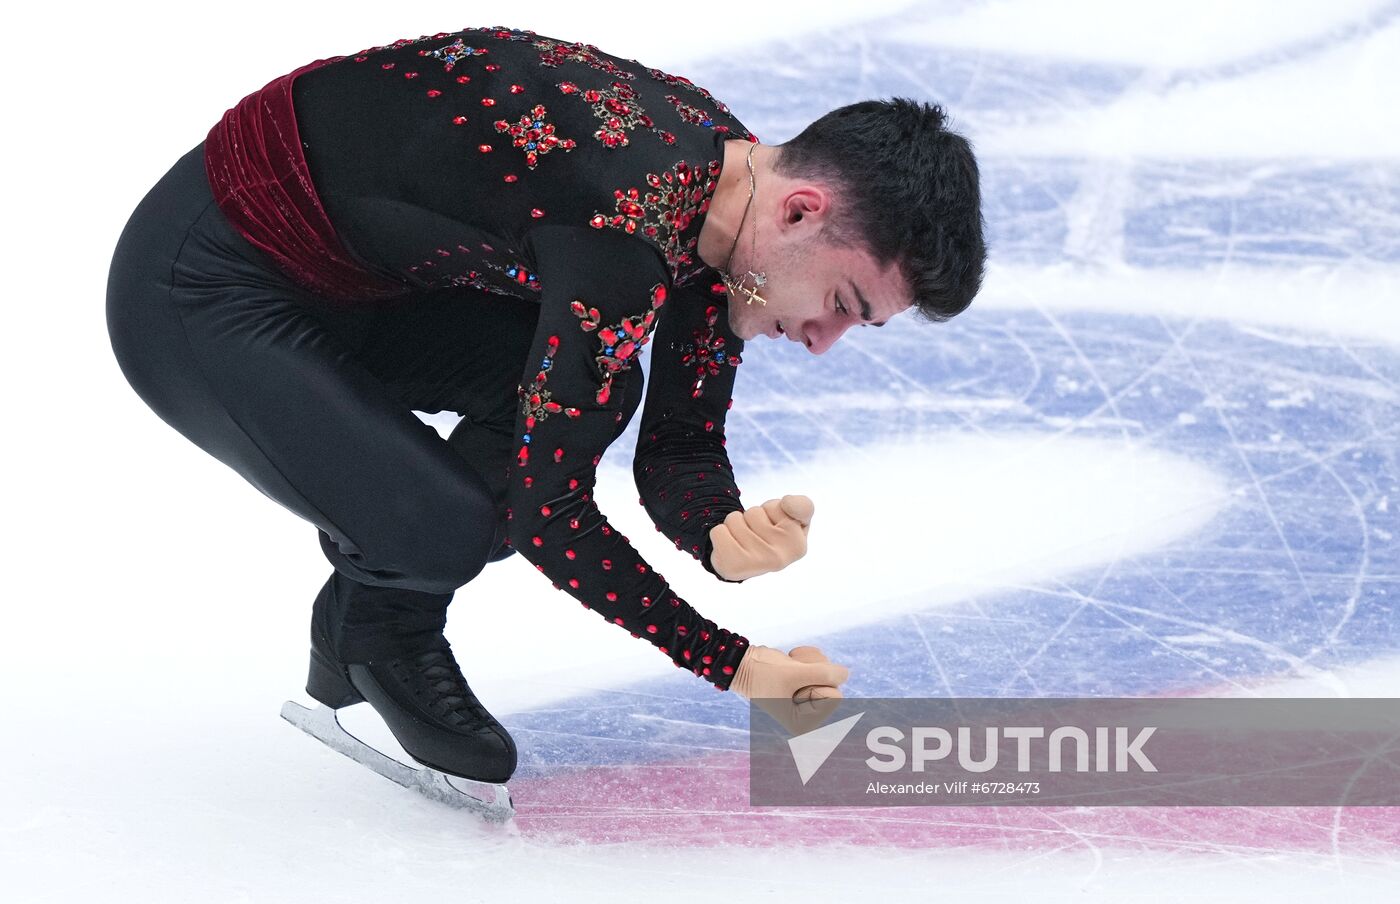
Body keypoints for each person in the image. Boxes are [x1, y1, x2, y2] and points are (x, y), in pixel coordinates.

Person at [105, 25, 985, 788]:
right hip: (201, 285)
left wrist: (715, 529)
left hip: (365, 283)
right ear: (802, 211)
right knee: (449, 521)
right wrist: (731, 663)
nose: (824, 339)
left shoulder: (734, 197)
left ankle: (371, 625)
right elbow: (549, 512)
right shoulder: (622, 225)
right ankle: (382, 625)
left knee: (603, 388)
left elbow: (678, 440)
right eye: (845, 303)